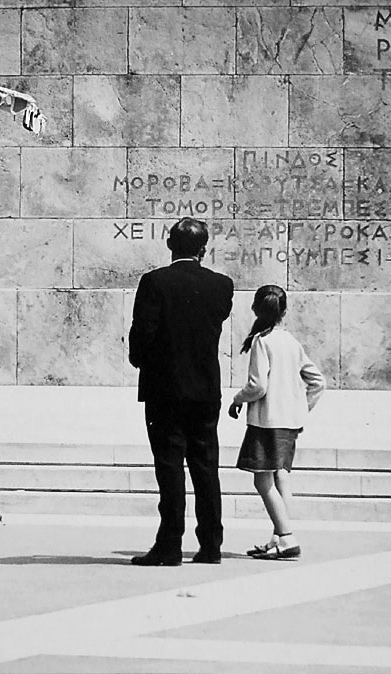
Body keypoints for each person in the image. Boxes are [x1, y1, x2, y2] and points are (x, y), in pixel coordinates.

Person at [128, 217, 234, 566]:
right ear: (204, 249)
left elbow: (143, 332)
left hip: (165, 389)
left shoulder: (155, 282)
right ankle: (211, 545)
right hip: (205, 389)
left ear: (170, 245)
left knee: (170, 468)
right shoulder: (222, 286)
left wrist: (140, 359)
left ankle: (170, 544)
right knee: (206, 467)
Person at [229, 284, 325, 560]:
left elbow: (257, 386)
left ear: (256, 309)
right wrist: (300, 409)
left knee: (262, 481)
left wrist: (237, 400)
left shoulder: (263, 341)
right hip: (288, 422)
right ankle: (279, 535)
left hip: (267, 422)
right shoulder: (291, 342)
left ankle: (285, 536)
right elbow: (318, 381)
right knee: (280, 475)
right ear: (284, 311)